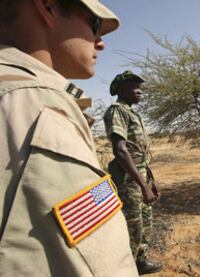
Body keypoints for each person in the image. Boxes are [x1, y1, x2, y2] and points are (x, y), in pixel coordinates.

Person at [0, 0, 139, 276]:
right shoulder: (36, 102)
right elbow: (96, 264)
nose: (101, 44)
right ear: (47, 8)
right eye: (95, 24)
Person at [104, 70, 163, 275]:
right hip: (129, 180)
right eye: (134, 87)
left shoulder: (131, 112)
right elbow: (120, 151)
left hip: (141, 176)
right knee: (133, 226)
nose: (139, 91)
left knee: (146, 222)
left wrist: (151, 180)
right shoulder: (116, 111)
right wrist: (143, 186)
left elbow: (140, 152)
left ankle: (140, 262)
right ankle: (125, 269)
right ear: (121, 89)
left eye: (140, 87)